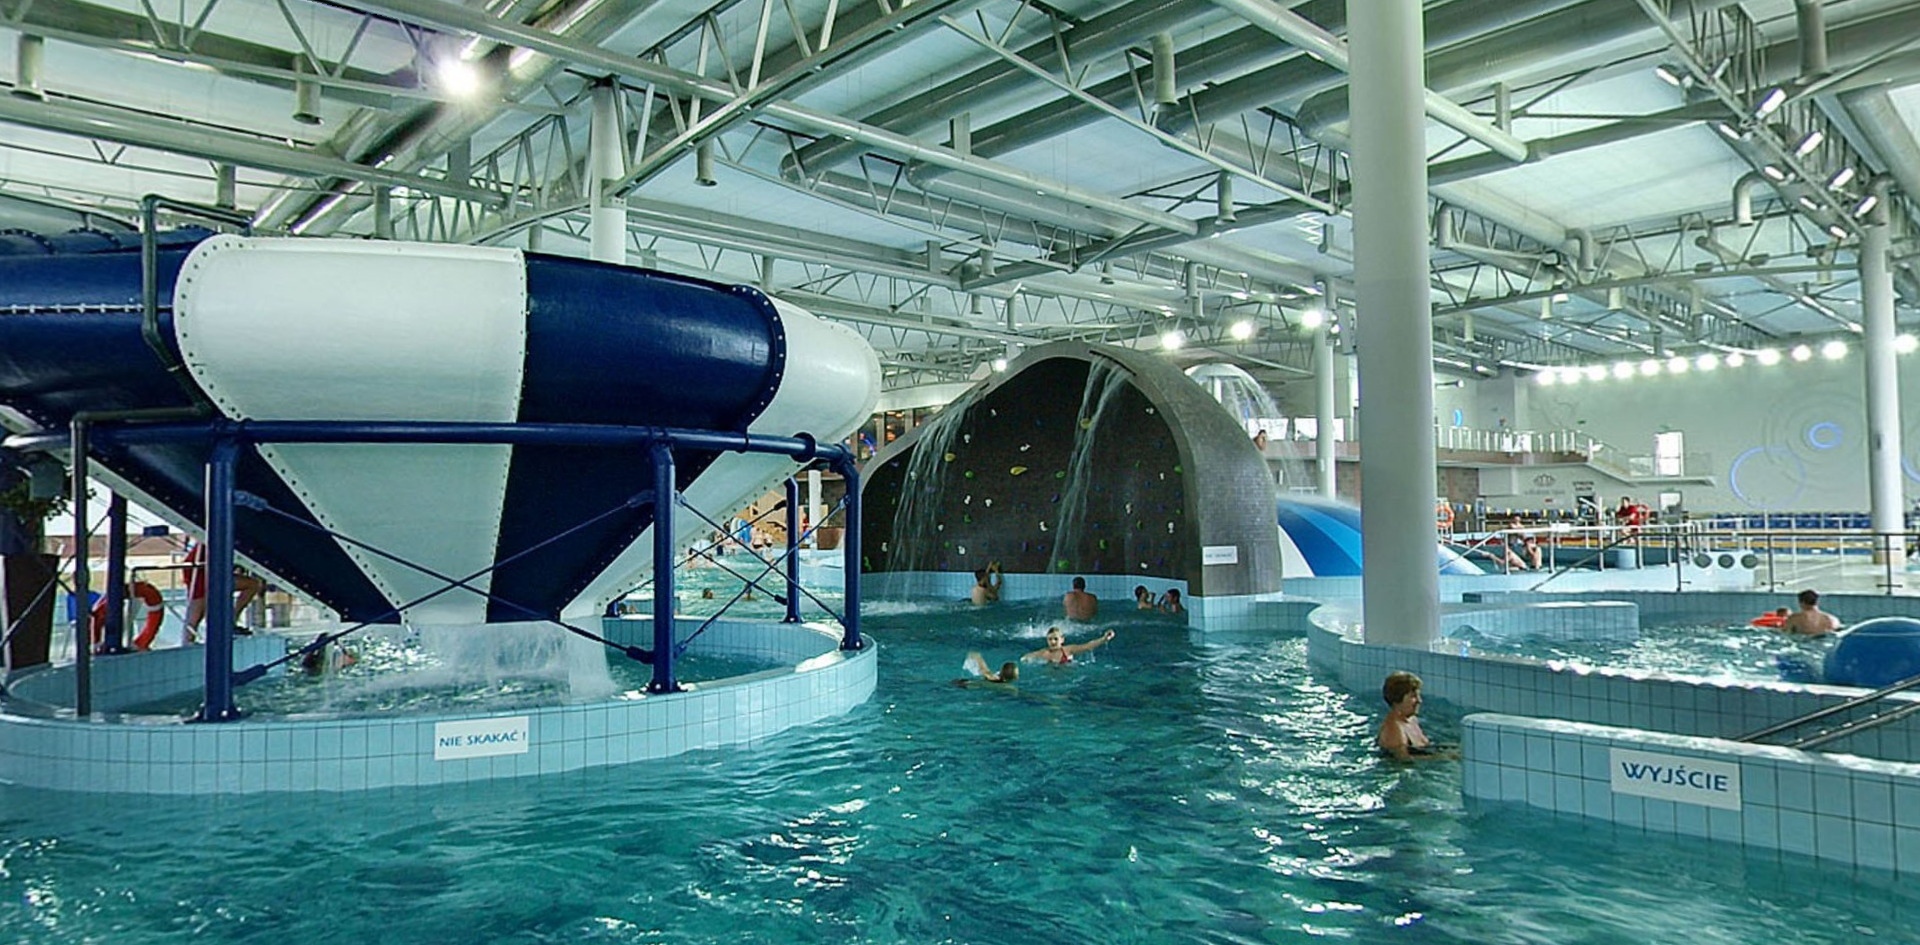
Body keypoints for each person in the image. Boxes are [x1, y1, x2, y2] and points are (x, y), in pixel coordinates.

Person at [181, 540, 266, 643]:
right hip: (200, 570)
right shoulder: (215, 537)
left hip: (212, 570)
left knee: (252, 584)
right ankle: (188, 641)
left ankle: (231, 622)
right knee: (198, 609)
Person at [1377, 671, 1447, 761]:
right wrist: (1441, 758)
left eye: (1419, 695)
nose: (1419, 701)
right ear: (1398, 698)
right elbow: (1402, 761)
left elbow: (1424, 747)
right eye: (1413, 696)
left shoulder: (1411, 719)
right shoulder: (1394, 728)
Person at [1023, 626, 1115, 665]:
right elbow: (1026, 657)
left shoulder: (1068, 650)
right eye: (1050, 639)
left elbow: (1087, 646)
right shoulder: (1044, 653)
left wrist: (1104, 639)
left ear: (1062, 640)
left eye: (1055, 639)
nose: (1053, 642)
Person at [955, 651, 1019, 687]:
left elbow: (975, 655)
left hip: (962, 683)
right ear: (1015, 677)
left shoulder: (991, 676)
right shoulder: (1008, 687)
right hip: (965, 685)